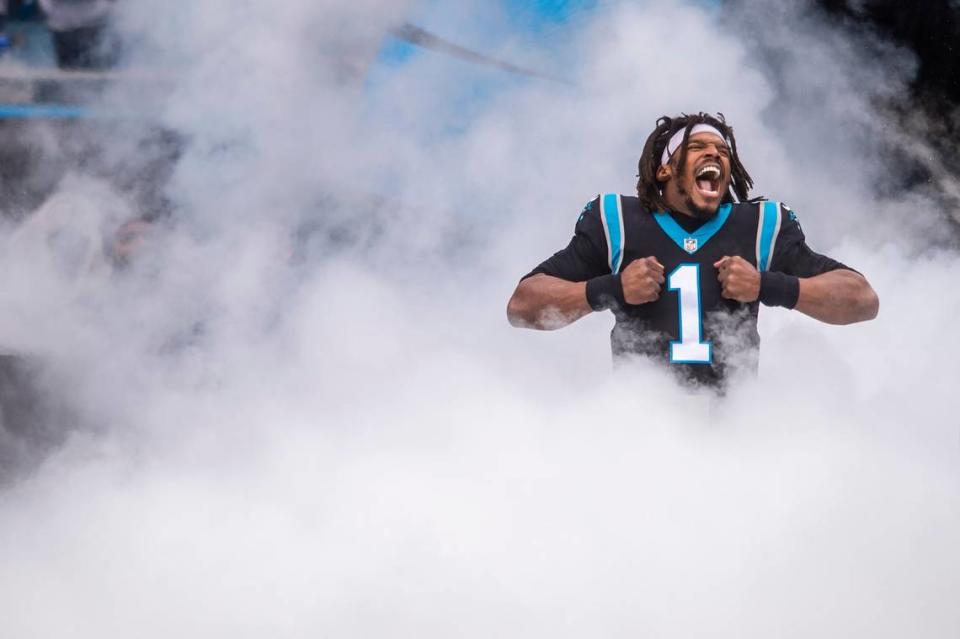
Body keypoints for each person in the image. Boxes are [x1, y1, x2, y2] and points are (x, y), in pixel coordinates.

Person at [506, 112, 879, 386]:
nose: (715, 155)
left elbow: (863, 299)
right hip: (641, 427)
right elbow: (522, 307)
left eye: (722, 150)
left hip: (734, 428)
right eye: (698, 147)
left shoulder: (760, 226)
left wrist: (768, 285)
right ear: (665, 170)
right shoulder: (617, 220)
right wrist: (611, 289)